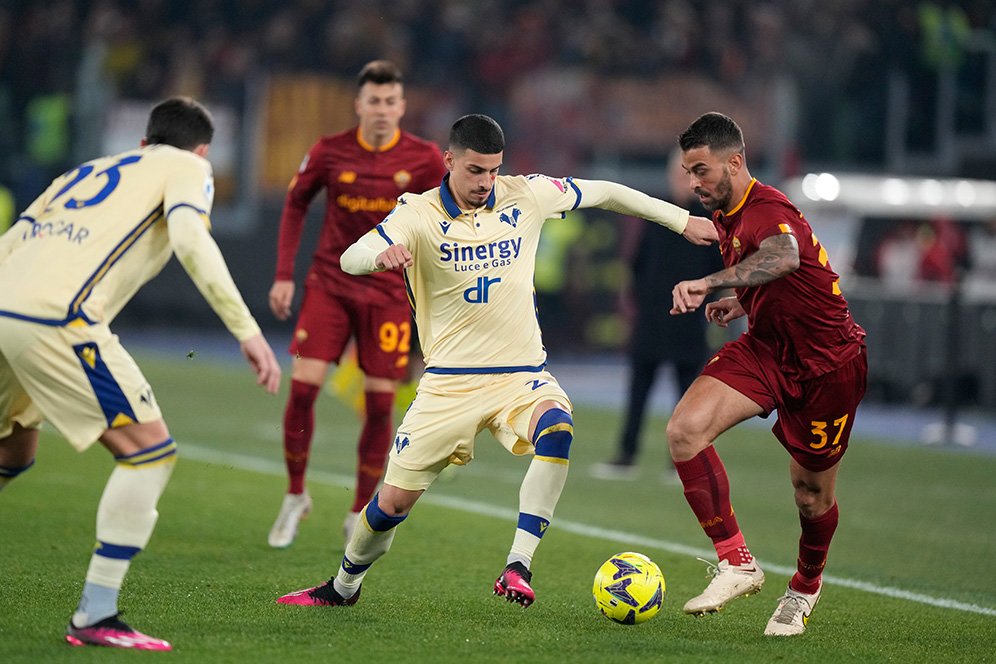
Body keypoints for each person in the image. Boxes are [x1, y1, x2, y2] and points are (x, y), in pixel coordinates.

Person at [275, 113, 718, 609]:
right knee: (390, 506)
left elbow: (608, 192)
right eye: (475, 171)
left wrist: (681, 220)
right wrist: (381, 257)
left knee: (558, 430)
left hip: (520, 377)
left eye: (493, 170)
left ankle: (518, 565)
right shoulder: (416, 214)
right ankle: (343, 586)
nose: (486, 182)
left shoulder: (526, 194)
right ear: (449, 162)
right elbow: (349, 257)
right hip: (447, 385)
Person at [0, 96, 281, 650]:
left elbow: (10, 243)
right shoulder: (190, 167)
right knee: (148, 452)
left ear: (144, 140)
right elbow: (190, 238)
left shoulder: (84, 170)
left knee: (13, 452)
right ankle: (96, 614)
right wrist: (245, 329)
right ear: (203, 149)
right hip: (58, 318)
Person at [668, 112, 867, 636]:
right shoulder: (728, 211)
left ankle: (803, 587)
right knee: (684, 431)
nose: (694, 183)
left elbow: (784, 255)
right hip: (765, 350)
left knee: (810, 494)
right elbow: (783, 274)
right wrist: (740, 299)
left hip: (828, 365)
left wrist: (708, 282)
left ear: (735, 161)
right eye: (690, 172)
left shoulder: (765, 208)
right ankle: (736, 562)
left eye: (702, 170)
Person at [267, 60, 446, 549]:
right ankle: (295, 495)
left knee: (379, 403)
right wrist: (284, 275)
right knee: (303, 389)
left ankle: (358, 509)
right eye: (375, 101)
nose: (383, 110)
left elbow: (448, 211)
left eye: (391, 102)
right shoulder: (329, 151)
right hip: (330, 284)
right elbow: (296, 203)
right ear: (359, 104)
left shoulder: (425, 158)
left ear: (402, 106)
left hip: (387, 294)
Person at [591, 149, 724, 481]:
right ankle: (627, 455)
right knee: (638, 391)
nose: (681, 182)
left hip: (687, 322)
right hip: (651, 320)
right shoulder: (658, 215)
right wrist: (638, 301)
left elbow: (719, 270)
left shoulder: (707, 220)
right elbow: (639, 264)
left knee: (689, 399)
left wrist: (703, 299)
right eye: (678, 175)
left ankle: (683, 464)